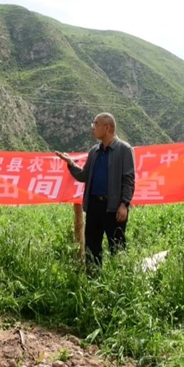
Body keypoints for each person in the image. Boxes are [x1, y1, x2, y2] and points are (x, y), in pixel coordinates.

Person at [55, 113, 135, 267]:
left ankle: (119, 282)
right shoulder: (94, 151)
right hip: (93, 207)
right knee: (92, 247)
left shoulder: (124, 149)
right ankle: (92, 281)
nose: (92, 128)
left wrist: (124, 204)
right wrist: (71, 164)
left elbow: (128, 179)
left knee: (117, 248)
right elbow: (85, 175)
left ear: (107, 127)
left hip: (114, 208)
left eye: (96, 124)